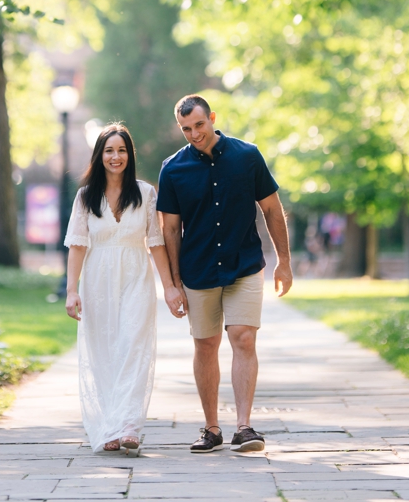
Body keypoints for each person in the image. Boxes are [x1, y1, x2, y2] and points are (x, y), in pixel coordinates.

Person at [157, 93, 293, 454]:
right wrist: (171, 284)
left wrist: (284, 261)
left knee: (243, 338)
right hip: (197, 270)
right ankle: (211, 428)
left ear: (212, 118)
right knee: (205, 345)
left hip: (244, 265)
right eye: (186, 129)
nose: (194, 134)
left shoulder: (247, 156)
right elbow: (169, 231)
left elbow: (273, 210)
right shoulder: (172, 169)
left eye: (199, 125)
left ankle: (245, 427)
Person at [64, 123, 181, 455]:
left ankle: (129, 424)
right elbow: (77, 245)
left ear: (130, 155)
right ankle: (110, 425)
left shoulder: (145, 194)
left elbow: (156, 243)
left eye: (122, 150)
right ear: (100, 156)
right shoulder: (86, 196)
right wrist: (72, 290)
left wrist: (170, 287)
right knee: (103, 353)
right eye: (109, 150)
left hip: (135, 279)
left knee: (132, 346)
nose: (116, 157)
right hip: (98, 281)